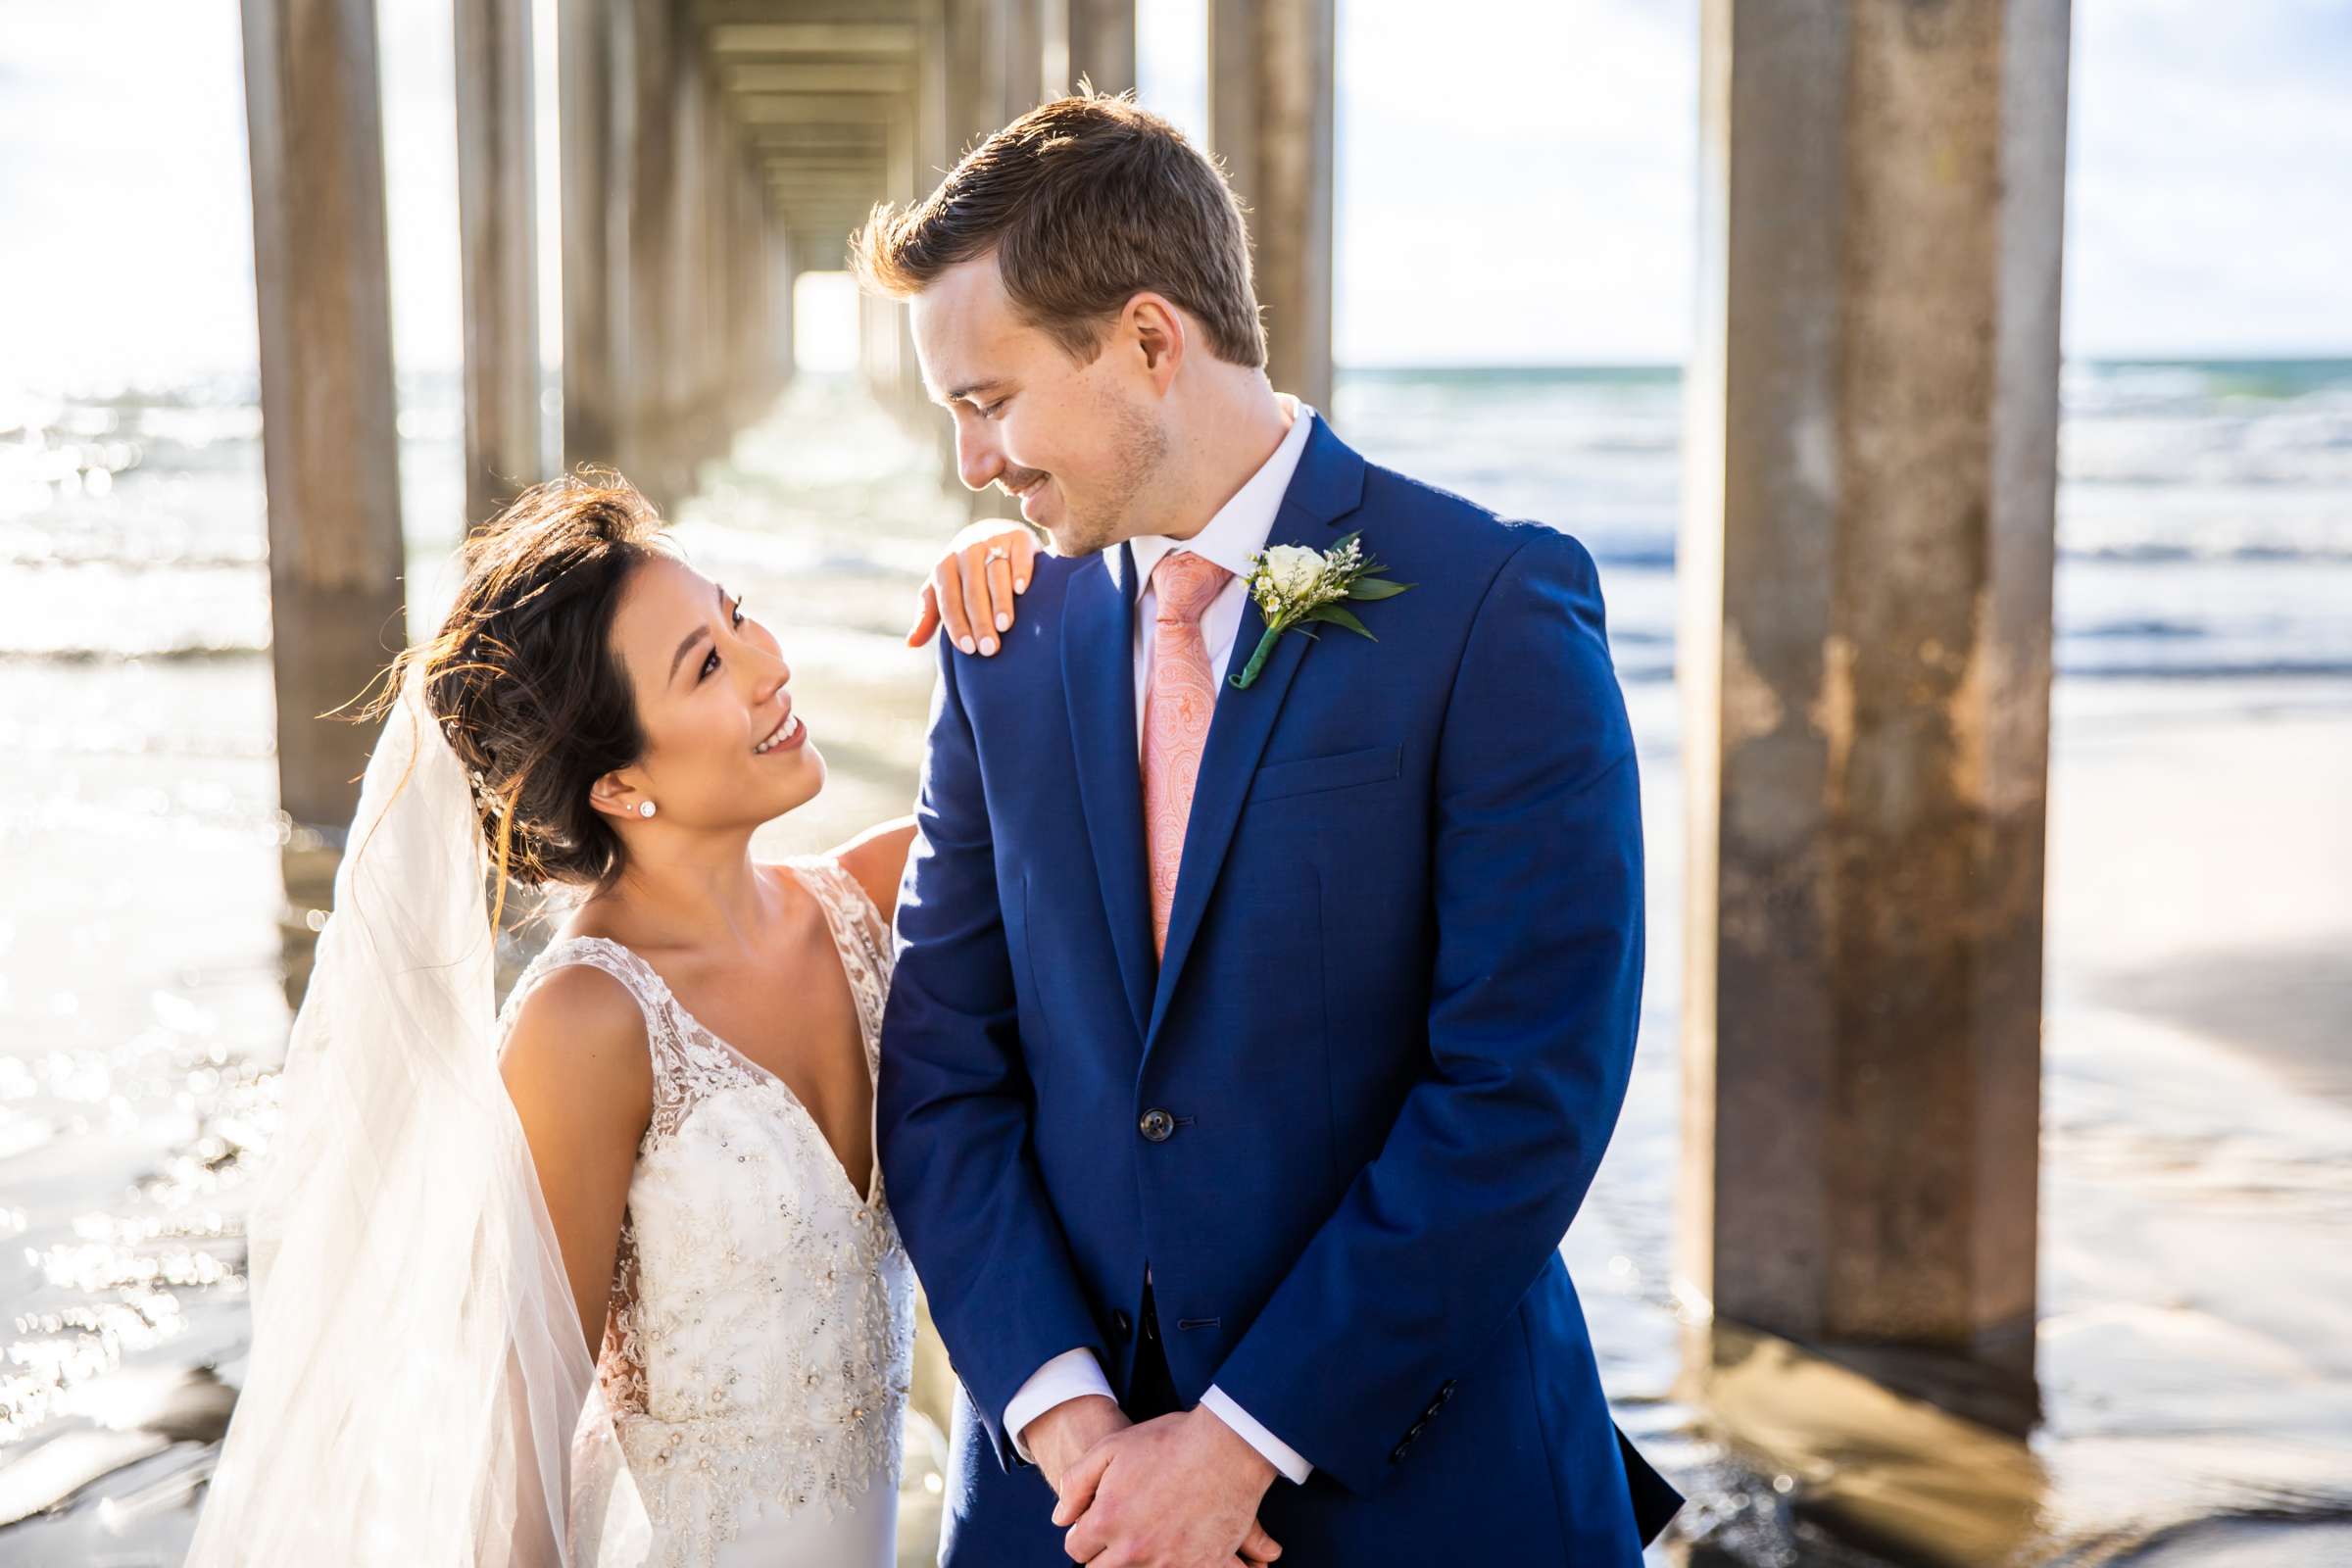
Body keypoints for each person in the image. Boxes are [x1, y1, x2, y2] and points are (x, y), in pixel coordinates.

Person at [860, 93, 1686, 1565]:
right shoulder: (1003, 637)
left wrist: (1242, 1443)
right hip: (1072, 1516)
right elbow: (940, 1075)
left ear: (1151, 342)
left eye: (990, 402)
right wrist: (1073, 1430)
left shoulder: (1489, 605)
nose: (974, 465)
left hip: (1422, 1496)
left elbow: (1526, 1087)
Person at [183, 471, 1038, 1568]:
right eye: (709, 665)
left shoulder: (877, 899)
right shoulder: (588, 1020)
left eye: (735, 616)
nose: (771, 664)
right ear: (621, 783)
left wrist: (999, 557)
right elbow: (524, 1445)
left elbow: (1082, 787)